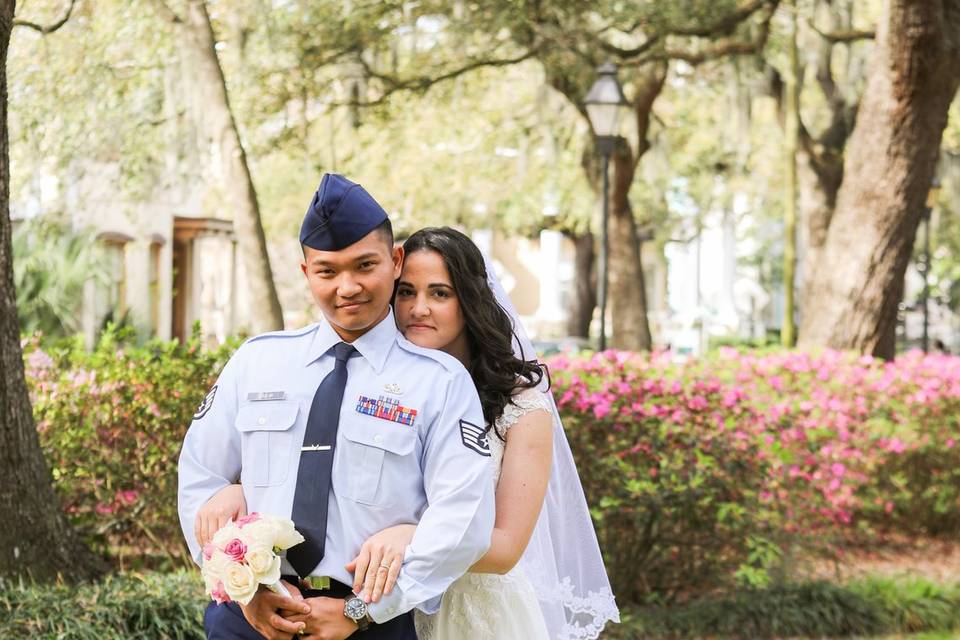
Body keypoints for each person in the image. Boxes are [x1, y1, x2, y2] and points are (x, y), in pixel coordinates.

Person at [199, 226, 620, 639]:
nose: (419, 308)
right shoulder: (361, 379)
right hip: (380, 602)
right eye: (406, 292)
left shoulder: (522, 405)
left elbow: (507, 548)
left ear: (470, 300)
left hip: (461, 609)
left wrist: (414, 538)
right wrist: (241, 493)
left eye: (440, 293)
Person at [179, 175, 496, 640]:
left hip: (372, 623)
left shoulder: (440, 384)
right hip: (250, 621)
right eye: (327, 271)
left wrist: (360, 609)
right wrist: (244, 591)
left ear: (395, 260)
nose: (347, 287)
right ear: (306, 273)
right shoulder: (256, 362)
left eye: (364, 265)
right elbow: (200, 480)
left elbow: (463, 518)